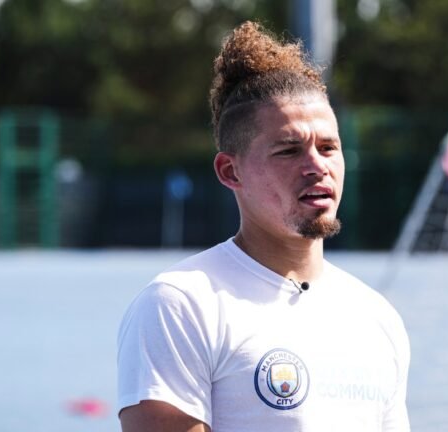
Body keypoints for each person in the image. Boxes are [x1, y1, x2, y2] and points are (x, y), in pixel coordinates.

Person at [116, 21, 410, 432]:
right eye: (289, 150)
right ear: (230, 170)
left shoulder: (377, 317)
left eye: (328, 148)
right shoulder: (181, 305)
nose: (317, 167)